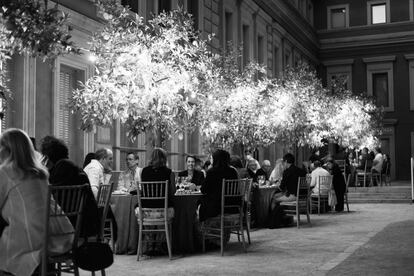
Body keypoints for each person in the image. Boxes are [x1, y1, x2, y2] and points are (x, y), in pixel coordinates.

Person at [0, 129, 71, 276]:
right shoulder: (41, 173)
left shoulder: (5, 172)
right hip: (56, 236)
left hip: (29, 241)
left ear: (7, 149)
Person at [41, 136, 100, 239]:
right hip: (86, 223)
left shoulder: (61, 169)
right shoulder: (71, 166)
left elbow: (50, 199)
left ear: (47, 156)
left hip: (69, 225)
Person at [199, 149, 239, 222]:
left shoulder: (212, 172)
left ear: (216, 159)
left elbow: (203, 190)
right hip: (234, 206)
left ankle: (204, 230)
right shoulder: (233, 171)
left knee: (202, 202)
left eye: (212, 158)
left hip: (217, 208)